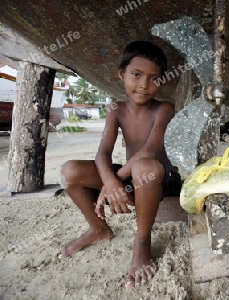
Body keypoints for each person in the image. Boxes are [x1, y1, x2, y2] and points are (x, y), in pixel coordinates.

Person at [58, 40, 181, 288]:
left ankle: (142, 242)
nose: (144, 85)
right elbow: (102, 153)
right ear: (121, 74)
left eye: (153, 78)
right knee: (70, 171)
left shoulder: (164, 108)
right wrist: (110, 182)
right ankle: (98, 229)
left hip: (160, 178)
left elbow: (151, 150)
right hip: (130, 179)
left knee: (144, 165)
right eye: (136, 75)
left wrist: (114, 184)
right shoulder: (116, 109)